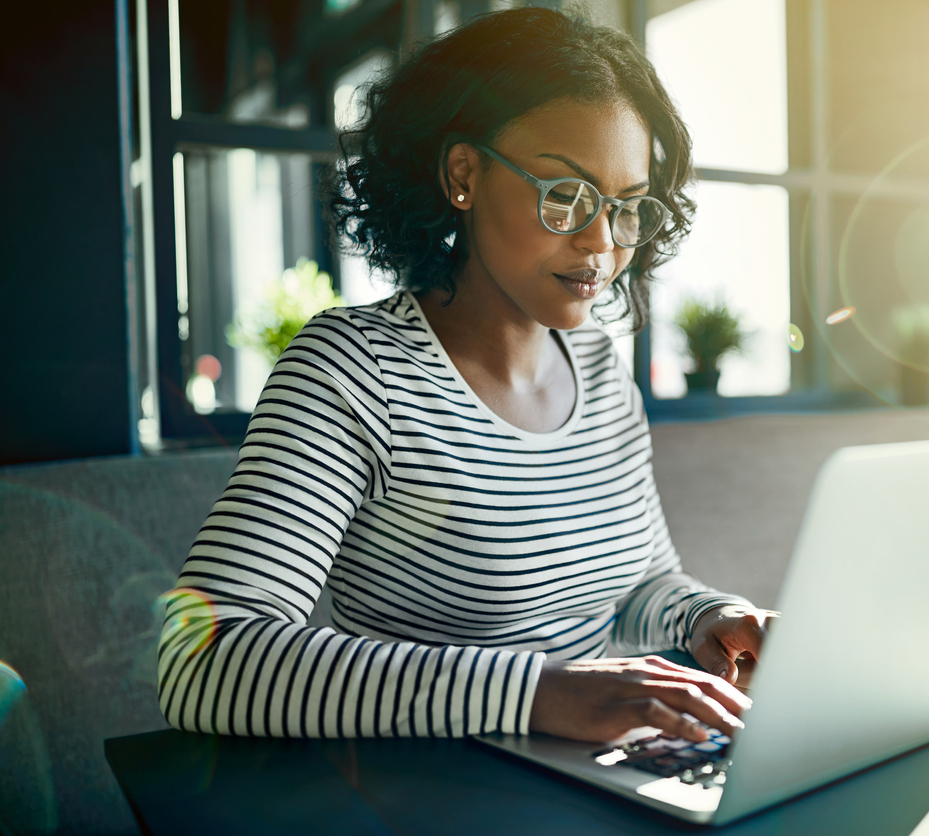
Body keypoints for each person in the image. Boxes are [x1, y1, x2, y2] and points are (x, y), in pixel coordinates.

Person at [157, 7, 776, 746]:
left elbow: (639, 583)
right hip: (427, 796)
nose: (601, 242)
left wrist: (709, 616)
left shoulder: (603, 374)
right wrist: (538, 692)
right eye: (567, 196)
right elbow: (201, 659)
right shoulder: (354, 371)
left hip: (599, 780)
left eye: (626, 207)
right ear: (464, 174)